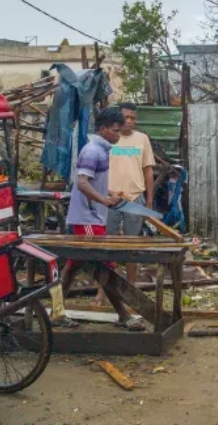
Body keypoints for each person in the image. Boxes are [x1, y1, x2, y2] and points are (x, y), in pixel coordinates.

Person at [61, 107, 146, 332]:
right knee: (105, 266)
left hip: (92, 216)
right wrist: (103, 200)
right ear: (103, 129)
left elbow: (92, 182)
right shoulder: (92, 151)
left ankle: (56, 312)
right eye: (115, 131)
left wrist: (108, 194)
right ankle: (124, 315)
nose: (119, 135)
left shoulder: (101, 149)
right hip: (87, 218)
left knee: (73, 267)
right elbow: (82, 183)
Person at [107, 102, 155, 285]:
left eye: (133, 118)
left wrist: (149, 201)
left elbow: (148, 170)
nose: (129, 121)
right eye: (125, 117)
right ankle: (106, 288)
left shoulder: (142, 139)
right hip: (110, 198)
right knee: (108, 244)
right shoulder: (110, 138)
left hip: (134, 197)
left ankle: (131, 286)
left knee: (132, 244)